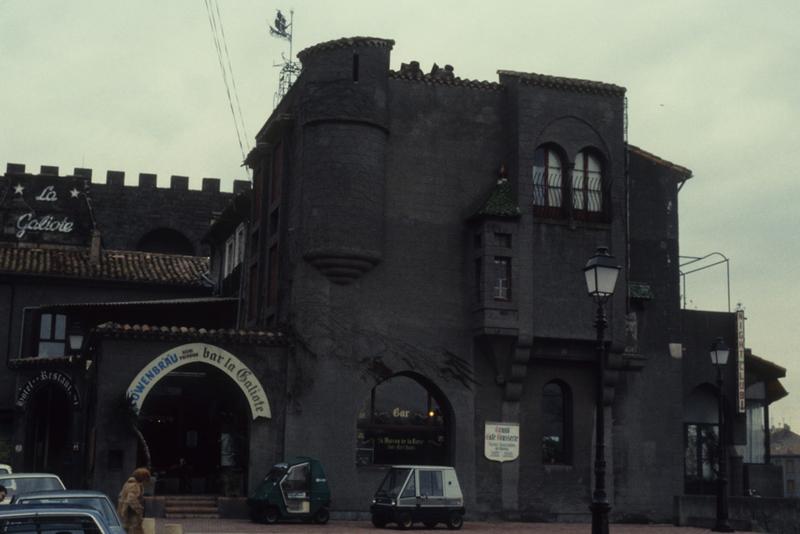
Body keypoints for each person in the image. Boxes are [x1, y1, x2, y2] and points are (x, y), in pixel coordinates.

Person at [117, 467, 150, 534]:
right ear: (142, 477)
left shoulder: (127, 484)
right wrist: (139, 509)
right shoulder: (134, 485)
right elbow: (131, 499)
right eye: (145, 479)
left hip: (125, 516)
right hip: (130, 517)